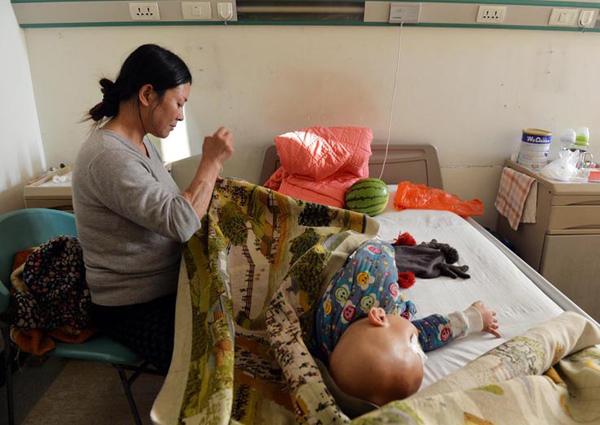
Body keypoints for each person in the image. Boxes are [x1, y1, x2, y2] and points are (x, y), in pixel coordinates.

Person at [72, 44, 233, 374]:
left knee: (244, 314)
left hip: (167, 287)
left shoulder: (142, 146)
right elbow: (180, 222)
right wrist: (211, 162)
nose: (181, 115)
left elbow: (174, 206)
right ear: (147, 94)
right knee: (215, 359)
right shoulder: (108, 156)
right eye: (178, 103)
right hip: (133, 306)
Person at [314, 239, 500, 407]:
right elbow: (429, 333)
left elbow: (375, 249)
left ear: (379, 316)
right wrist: (472, 319)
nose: (419, 344)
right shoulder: (338, 346)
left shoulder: (378, 277)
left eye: (414, 343)